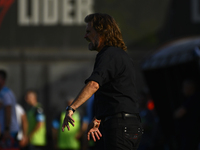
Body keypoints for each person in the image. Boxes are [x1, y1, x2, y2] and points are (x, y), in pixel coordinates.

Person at [62, 13, 142, 150]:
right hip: (130, 125)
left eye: (89, 32)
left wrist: (71, 108)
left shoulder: (108, 54)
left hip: (120, 126)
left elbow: (93, 84)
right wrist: (99, 118)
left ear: (102, 32)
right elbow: (117, 92)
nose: (85, 36)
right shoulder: (120, 55)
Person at [174, 79, 200, 150]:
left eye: (184, 87)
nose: (183, 90)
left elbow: (179, 113)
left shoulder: (193, 99)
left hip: (192, 134)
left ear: (190, 88)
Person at [0, 69, 19, 149]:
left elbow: (8, 110)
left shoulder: (5, 93)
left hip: (9, 131)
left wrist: (7, 129)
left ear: (3, 80)